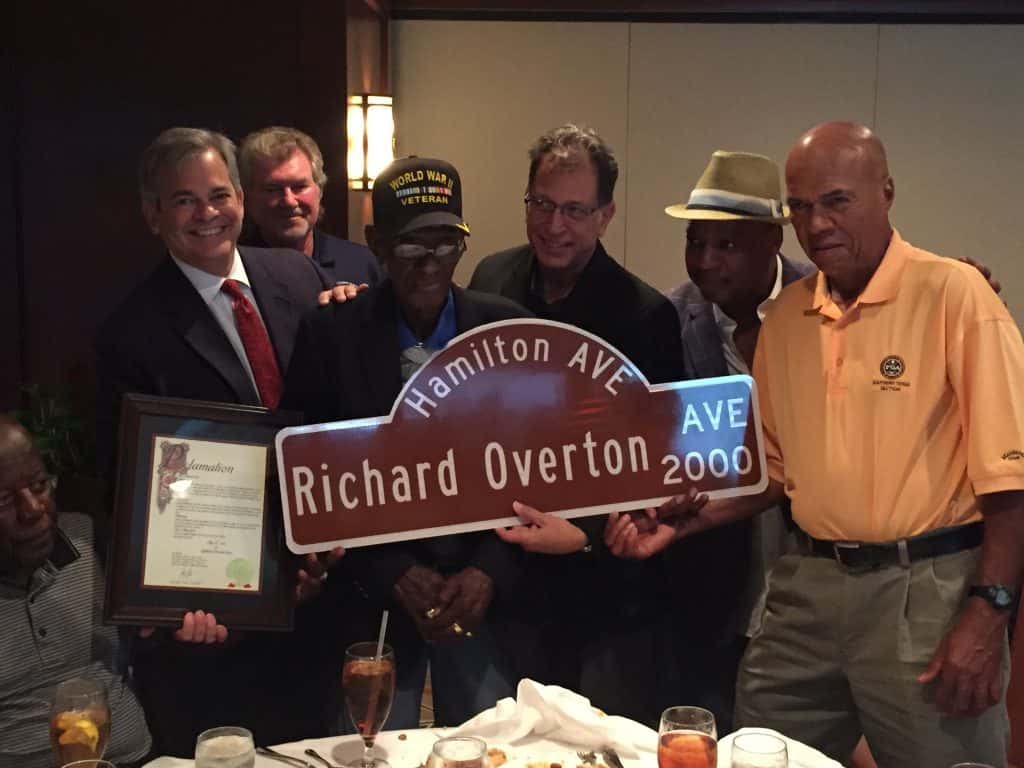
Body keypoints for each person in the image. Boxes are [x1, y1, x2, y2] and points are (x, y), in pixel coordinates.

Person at [607, 121, 1024, 768]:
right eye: (801, 206)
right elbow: (771, 475)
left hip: (924, 589)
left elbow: (1010, 479)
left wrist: (989, 612)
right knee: (759, 751)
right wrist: (676, 522)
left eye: (836, 201)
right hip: (807, 583)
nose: (817, 222)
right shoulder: (788, 320)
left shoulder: (954, 294)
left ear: (885, 193)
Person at [95, 127, 363, 756]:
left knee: (323, 750)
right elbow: (129, 486)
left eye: (219, 193)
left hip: (319, 599)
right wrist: (178, 601)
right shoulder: (128, 334)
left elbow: (330, 417)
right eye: (184, 200)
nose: (206, 213)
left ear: (241, 197)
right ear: (152, 214)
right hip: (223, 625)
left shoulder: (297, 277)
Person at [281, 156, 527, 728]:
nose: (430, 265)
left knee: (492, 749)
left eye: (446, 244)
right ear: (377, 244)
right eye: (412, 246)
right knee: (370, 748)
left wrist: (489, 569)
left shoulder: (508, 329)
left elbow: (534, 469)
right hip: (372, 599)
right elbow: (308, 475)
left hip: (480, 591)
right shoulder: (329, 334)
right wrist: (390, 568)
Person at [470, 124, 685, 725]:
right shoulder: (490, 279)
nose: (553, 225)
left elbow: (660, 461)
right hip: (507, 584)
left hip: (609, 602)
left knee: (599, 750)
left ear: (605, 214)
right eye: (541, 204)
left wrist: (585, 534)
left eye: (573, 210)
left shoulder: (646, 315)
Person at [661, 150, 813, 734]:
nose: (705, 262)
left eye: (725, 246)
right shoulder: (673, 318)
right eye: (696, 244)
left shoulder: (822, 300)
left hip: (811, 552)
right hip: (718, 557)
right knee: (714, 717)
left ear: (771, 241)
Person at [0, 415, 151, 768]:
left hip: (136, 760)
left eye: (39, 485)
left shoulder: (89, 538)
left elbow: (149, 635)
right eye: (4, 501)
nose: (33, 509)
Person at [239, 126, 382, 286]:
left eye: (299, 187)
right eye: (273, 189)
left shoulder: (361, 264)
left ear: (319, 190)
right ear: (247, 196)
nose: (289, 201)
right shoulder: (233, 270)